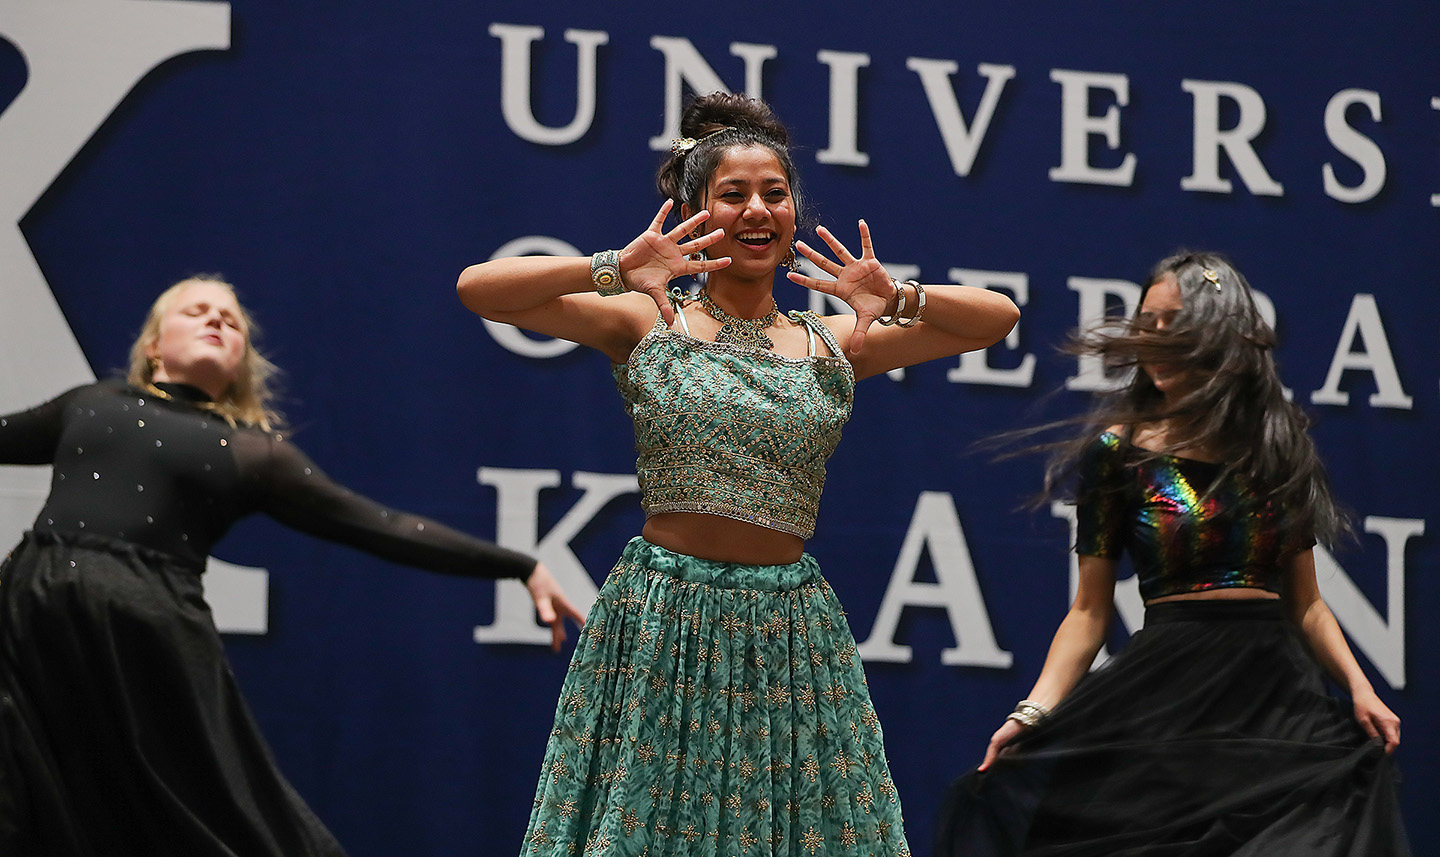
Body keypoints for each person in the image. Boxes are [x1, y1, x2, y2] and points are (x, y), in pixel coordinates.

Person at [457, 92, 1019, 856]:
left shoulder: (833, 342)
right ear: (697, 212)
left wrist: (897, 297)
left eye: (774, 193)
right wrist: (612, 269)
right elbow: (478, 288)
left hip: (788, 633)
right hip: (665, 617)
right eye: (734, 194)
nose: (757, 209)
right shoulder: (651, 321)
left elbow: (997, 318)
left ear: (793, 213)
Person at [0, 276, 583, 857]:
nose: (216, 321)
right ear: (154, 344)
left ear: (241, 363)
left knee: (208, 809)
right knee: (25, 786)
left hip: (150, 635)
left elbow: (383, 525)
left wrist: (520, 564)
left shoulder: (251, 450)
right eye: (196, 311)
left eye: (231, 321)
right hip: (32, 609)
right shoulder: (94, 402)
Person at [934, 252, 1409, 856]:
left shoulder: (1275, 444)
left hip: (1276, 699)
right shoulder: (1118, 453)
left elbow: (1308, 604)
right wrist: (1031, 713)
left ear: (1218, 330)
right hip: (1168, 694)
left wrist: (1361, 688)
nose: (1153, 339)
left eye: (1173, 324)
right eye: (1146, 322)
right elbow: (1088, 612)